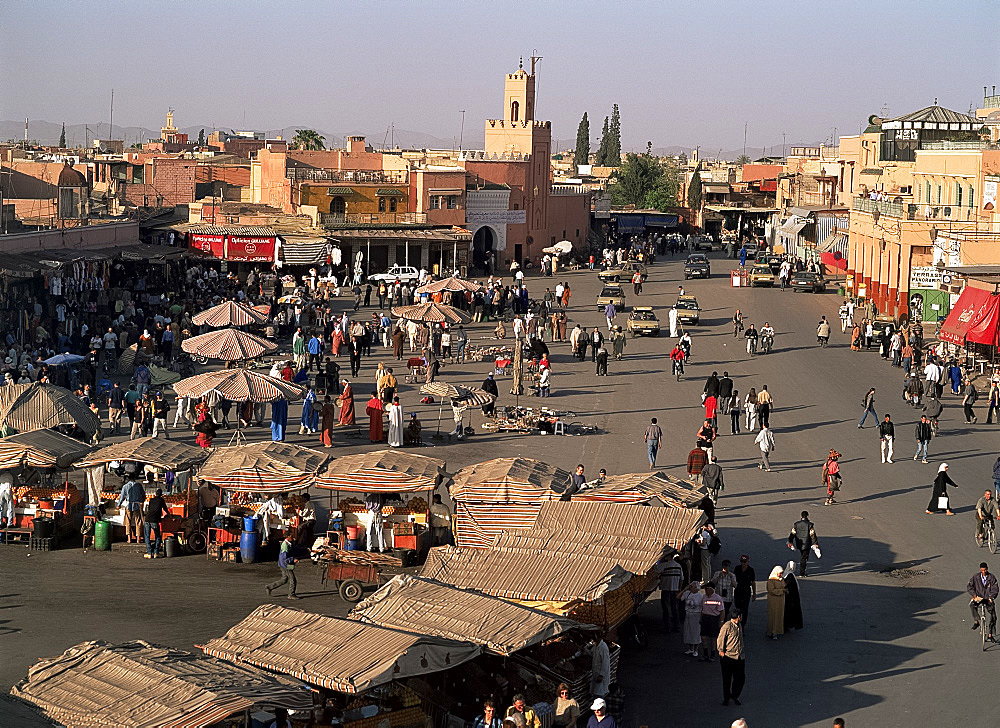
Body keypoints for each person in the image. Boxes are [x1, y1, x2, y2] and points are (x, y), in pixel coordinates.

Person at [717, 609, 746, 706]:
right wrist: (721, 652)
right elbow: (720, 639)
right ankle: (726, 698)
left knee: (740, 678)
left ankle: (734, 695)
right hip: (729, 657)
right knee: (727, 679)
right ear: (738, 617)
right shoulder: (727, 626)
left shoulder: (739, 625)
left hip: (739, 657)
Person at [969, 561, 999, 641]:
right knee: (972, 605)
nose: (983, 572)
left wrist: (991, 597)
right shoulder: (975, 577)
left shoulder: (992, 577)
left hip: (987, 598)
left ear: (987, 569)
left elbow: (995, 589)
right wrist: (974, 595)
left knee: (993, 616)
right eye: (982, 570)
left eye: (985, 570)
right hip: (978, 597)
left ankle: (990, 634)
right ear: (980, 570)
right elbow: (970, 586)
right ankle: (976, 621)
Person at [265, 533, 299, 600]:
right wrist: (292, 559)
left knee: (284, 579)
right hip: (285, 565)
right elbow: (284, 559)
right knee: (293, 580)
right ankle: (291, 594)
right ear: (288, 537)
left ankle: (269, 587)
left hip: (282, 564)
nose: (293, 537)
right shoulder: (285, 546)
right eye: (291, 536)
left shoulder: (288, 544)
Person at [787, 511, 818, 577]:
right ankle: (802, 572)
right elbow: (812, 535)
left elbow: (792, 533)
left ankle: (802, 571)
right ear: (807, 516)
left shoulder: (796, 524)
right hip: (807, 544)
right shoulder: (810, 525)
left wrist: (790, 541)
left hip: (799, 543)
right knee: (804, 558)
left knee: (802, 556)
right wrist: (815, 543)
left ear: (801, 516)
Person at [701, 582, 725, 661]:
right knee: (703, 637)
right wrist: (701, 618)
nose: (705, 590)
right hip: (705, 618)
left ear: (711, 589)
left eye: (707, 588)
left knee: (713, 638)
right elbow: (702, 609)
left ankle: (712, 654)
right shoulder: (704, 597)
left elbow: (722, 611)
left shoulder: (718, 598)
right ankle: (705, 654)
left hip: (713, 619)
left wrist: (721, 622)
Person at [117, 476, 146, 544]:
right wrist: (141, 501)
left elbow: (122, 497)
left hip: (128, 505)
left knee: (128, 521)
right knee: (138, 521)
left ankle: (129, 538)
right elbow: (143, 495)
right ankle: (138, 538)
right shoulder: (139, 485)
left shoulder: (125, 486)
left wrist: (119, 505)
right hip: (137, 505)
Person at [679, 581, 704, 657]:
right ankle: (691, 648)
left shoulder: (700, 596)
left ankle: (696, 649)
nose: (691, 588)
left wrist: (701, 617)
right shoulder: (687, 593)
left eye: (692, 587)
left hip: (696, 615)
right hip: (688, 614)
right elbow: (678, 597)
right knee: (688, 631)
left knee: (696, 632)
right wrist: (684, 589)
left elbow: (703, 607)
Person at [143, 486, 169, 559]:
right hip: (154, 520)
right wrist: (169, 515)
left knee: (147, 536)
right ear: (161, 495)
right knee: (157, 536)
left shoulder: (151, 500)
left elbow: (150, 509)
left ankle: (149, 553)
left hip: (148, 519)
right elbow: (165, 509)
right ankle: (156, 552)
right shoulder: (161, 500)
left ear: (155, 494)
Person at [659, 554, 684, 632]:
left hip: (666, 589)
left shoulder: (664, 565)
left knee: (666, 609)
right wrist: (679, 588)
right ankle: (677, 626)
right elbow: (682, 578)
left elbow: (655, 570)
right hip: (675, 590)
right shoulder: (678, 566)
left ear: (668, 556)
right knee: (675, 608)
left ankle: (668, 627)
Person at [766, 565, 787, 639]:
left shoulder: (781, 579)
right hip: (773, 601)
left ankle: (777, 631)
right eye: (780, 573)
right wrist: (782, 591)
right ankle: (772, 631)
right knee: (773, 615)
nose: (781, 574)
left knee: (779, 615)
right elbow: (771, 590)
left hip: (780, 601)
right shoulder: (771, 580)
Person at [734, 555, 756, 625]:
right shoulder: (737, 568)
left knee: (745, 609)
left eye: (745, 562)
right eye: (742, 561)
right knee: (737, 607)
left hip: (746, 590)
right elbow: (733, 579)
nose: (743, 563)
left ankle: (742, 625)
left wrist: (754, 593)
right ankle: (737, 623)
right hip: (738, 589)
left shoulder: (751, 570)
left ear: (748, 562)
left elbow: (753, 582)